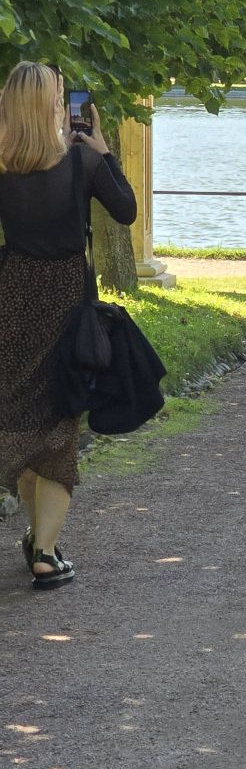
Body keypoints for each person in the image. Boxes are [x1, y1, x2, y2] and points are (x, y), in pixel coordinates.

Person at [0, 63, 137, 590]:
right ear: (53, 106)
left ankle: (39, 537)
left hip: (12, 299)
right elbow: (125, 210)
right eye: (59, 97)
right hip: (66, 304)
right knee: (59, 428)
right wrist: (104, 151)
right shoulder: (82, 161)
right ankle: (45, 554)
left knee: (21, 422)